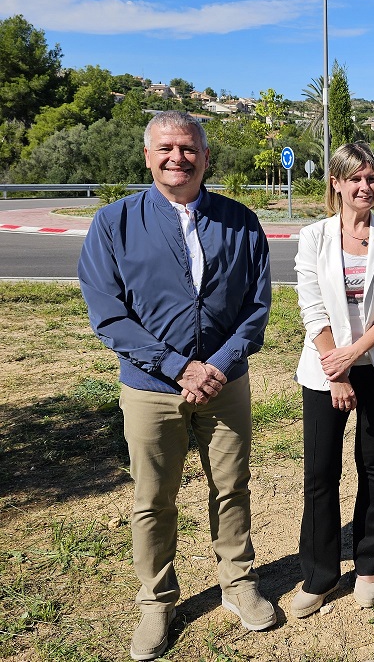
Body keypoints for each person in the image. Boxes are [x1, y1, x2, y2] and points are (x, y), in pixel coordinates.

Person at [78, 111, 275, 661]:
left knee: (232, 487)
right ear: (147, 156)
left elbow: (256, 308)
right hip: (149, 387)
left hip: (226, 382)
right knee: (152, 499)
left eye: (189, 148)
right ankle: (156, 600)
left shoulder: (240, 221)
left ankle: (238, 583)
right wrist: (178, 366)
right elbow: (109, 314)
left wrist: (218, 364)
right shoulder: (113, 224)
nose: (177, 157)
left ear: (205, 157)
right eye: (166, 147)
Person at [290, 143, 374, 616]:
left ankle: (369, 566)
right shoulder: (314, 237)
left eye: (373, 178)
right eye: (355, 179)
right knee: (321, 472)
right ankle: (320, 574)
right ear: (337, 184)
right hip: (324, 371)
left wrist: (355, 355)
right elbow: (311, 306)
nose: (366, 187)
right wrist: (335, 368)